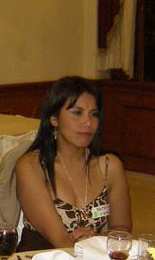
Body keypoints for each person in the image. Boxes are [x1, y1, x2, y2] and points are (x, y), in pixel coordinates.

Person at [15, 76, 131, 250]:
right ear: (54, 119)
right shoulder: (32, 166)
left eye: (94, 114)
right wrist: (91, 245)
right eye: (77, 113)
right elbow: (61, 241)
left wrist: (96, 238)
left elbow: (122, 230)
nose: (88, 122)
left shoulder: (110, 166)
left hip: (93, 258)